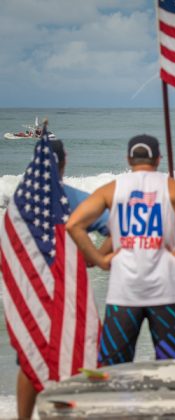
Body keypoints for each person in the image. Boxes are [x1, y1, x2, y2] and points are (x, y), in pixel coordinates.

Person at [66, 134, 175, 366]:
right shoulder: (174, 188)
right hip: (164, 291)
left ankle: (120, 402)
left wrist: (99, 259)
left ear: (129, 159)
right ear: (158, 159)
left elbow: (74, 224)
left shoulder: (111, 189)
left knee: (114, 367)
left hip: (124, 291)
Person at [15, 138, 110, 420]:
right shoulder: (76, 198)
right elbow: (116, 228)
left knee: (29, 358)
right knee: (80, 351)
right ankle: (69, 411)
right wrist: (94, 258)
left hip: (31, 290)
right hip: (70, 290)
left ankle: (24, 418)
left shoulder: (20, 202)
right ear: (64, 161)